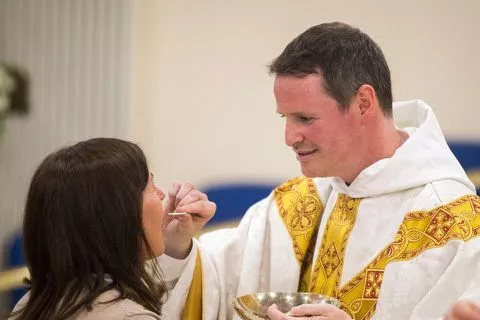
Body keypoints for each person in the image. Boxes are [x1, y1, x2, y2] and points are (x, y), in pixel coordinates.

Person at [160, 22, 480, 319]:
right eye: (284, 118)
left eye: (305, 119)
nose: (289, 138)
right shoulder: (302, 199)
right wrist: (178, 247)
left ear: (363, 104)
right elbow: (218, 280)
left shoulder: (455, 226)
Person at [9, 138, 215, 320]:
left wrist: (173, 244)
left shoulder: (31, 303)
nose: (161, 195)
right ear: (117, 215)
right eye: (150, 186)